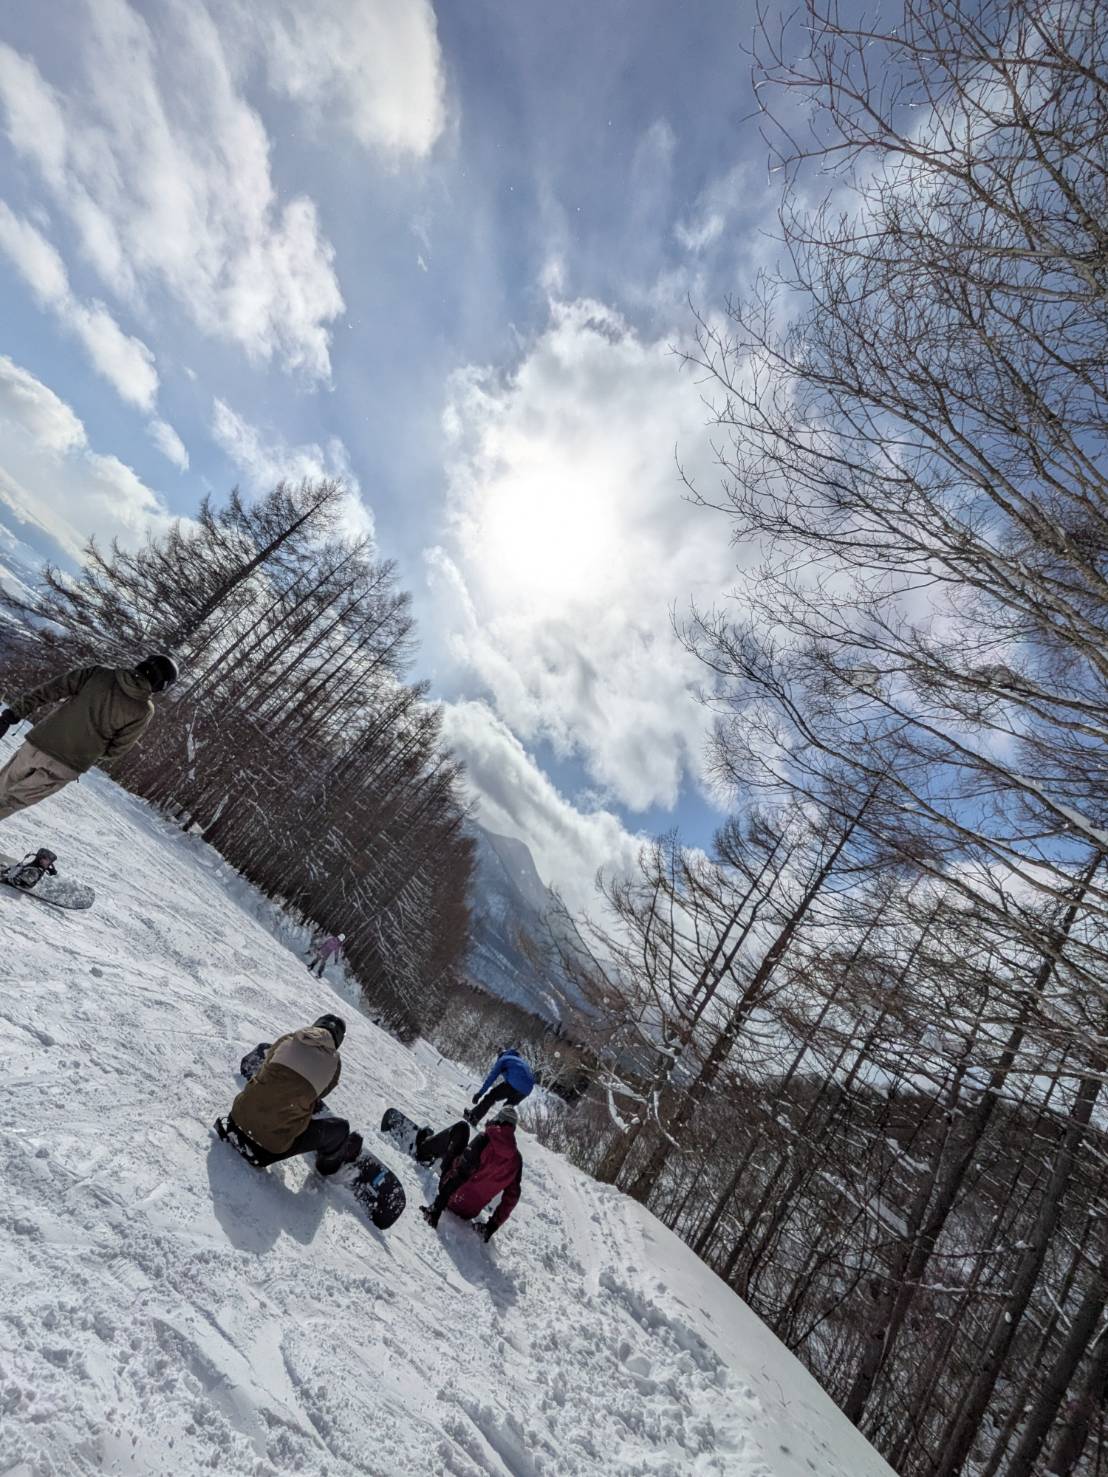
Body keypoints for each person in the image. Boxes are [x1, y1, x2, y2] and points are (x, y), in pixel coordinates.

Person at [0, 654, 178, 823]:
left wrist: (15, 712)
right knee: (13, 801)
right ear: (161, 685)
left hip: (40, 743)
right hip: (68, 764)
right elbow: (117, 749)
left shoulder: (100, 673)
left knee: (2, 787)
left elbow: (53, 689)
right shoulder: (144, 710)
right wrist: (90, 748)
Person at [215, 1015, 361, 1174]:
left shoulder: (290, 1038)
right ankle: (327, 1168)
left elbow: (266, 1063)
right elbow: (322, 1092)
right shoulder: (335, 1063)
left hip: (235, 1120)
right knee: (341, 1128)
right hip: (265, 1150)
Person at [419, 1104, 523, 1242]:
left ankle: (423, 1151)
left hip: (451, 1197)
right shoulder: (516, 1160)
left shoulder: (485, 1139)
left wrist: (436, 1208)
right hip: (469, 1211)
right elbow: (512, 1197)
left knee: (462, 1128)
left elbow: (461, 1172)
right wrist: (491, 1227)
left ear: (499, 1120)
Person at [465, 1046, 535, 1125]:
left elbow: (491, 1079)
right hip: (527, 1090)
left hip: (514, 1084)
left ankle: (474, 1116)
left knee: (492, 1095)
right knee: (507, 1108)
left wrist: (480, 1093)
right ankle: (496, 1127)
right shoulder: (520, 1061)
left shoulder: (503, 1059)